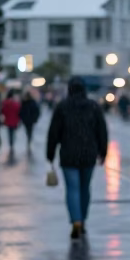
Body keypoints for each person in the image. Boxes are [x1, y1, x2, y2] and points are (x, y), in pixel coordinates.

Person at [46, 76, 108, 238]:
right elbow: (102, 131)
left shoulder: (62, 107)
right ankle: (83, 219)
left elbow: (54, 133)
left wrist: (50, 153)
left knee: (72, 189)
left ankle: (76, 221)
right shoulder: (93, 107)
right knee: (84, 188)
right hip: (89, 153)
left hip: (68, 154)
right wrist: (103, 152)